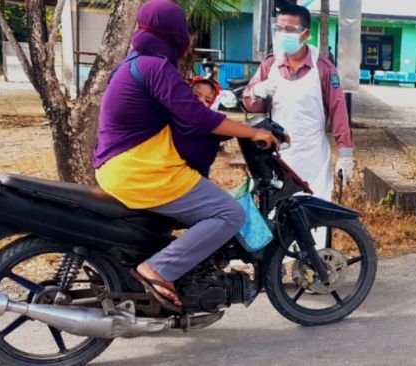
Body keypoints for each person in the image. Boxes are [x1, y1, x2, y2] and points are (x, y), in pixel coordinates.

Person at [93, 0, 278, 312]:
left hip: (120, 166)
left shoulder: (132, 63)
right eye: (184, 32)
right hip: (142, 170)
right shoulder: (154, 67)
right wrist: (252, 132)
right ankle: (158, 269)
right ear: (175, 34)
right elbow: (196, 117)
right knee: (230, 214)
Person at [243, 5, 354, 205]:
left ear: (306, 34)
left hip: (313, 156)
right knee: (279, 217)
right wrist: (257, 91)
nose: (283, 34)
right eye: (279, 29)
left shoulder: (324, 69)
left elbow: (339, 112)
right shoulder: (270, 65)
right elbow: (249, 103)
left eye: (290, 30)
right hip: (278, 155)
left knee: (314, 218)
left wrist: (345, 154)